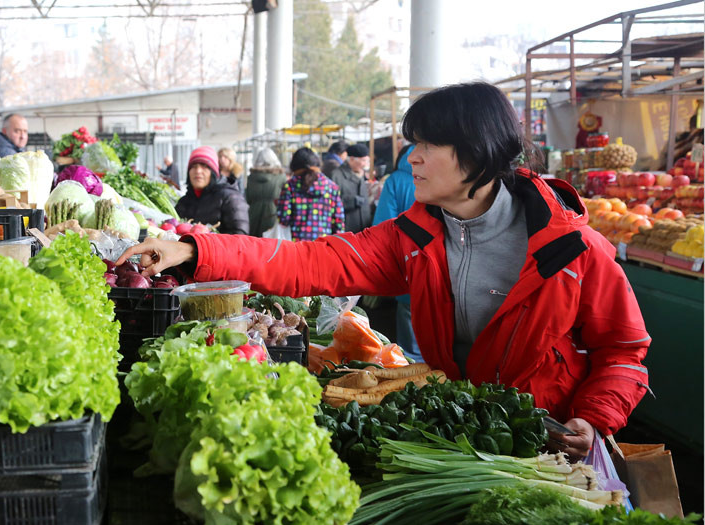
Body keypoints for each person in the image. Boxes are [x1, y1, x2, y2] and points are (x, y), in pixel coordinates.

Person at [118, 82, 651, 460]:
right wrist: (196, 251)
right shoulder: (414, 239)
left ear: (478, 152)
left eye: (427, 145)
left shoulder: (575, 249)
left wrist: (594, 418)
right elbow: (312, 262)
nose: (411, 158)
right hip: (468, 439)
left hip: (549, 447)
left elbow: (623, 351)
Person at [372, 144, 422, 362]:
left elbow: (383, 225)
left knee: (409, 312)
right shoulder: (444, 178)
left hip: (407, 261)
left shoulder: (395, 180)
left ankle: (411, 365)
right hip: (443, 262)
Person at [175, 146, 249, 235]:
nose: (198, 171)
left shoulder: (231, 198)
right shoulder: (183, 202)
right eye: (194, 166)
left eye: (204, 166)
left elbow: (240, 236)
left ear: (213, 172)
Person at [276, 147, 344, 241]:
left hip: (297, 245)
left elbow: (283, 219)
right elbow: (338, 222)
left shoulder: (290, 186)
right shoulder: (332, 187)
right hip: (323, 245)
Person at [328, 143, 373, 233]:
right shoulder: (336, 175)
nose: (366, 165)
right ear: (351, 159)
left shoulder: (362, 174)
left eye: (368, 161)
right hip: (347, 229)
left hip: (364, 229)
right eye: (363, 161)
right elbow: (331, 203)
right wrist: (352, 202)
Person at [244, 147, 287, 237]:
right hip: (273, 215)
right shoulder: (281, 177)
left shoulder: (251, 177)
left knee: (254, 243)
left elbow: (248, 198)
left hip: (253, 215)